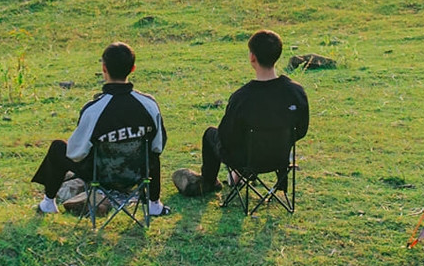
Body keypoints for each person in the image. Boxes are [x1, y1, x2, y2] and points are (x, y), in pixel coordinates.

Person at [32, 41, 167, 217]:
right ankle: (154, 204)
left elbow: (75, 152)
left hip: (101, 176)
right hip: (138, 173)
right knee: (152, 154)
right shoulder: (149, 104)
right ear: (133, 68)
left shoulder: (94, 109)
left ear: (104, 68)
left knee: (58, 147)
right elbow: (159, 145)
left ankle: (48, 203)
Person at [173, 28, 308, 198]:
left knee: (210, 134)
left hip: (247, 161)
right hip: (279, 156)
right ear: (278, 55)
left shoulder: (242, 97)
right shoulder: (295, 91)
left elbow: (226, 137)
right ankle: (238, 175)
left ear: (252, 57)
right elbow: (301, 130)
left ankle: (209, 181)